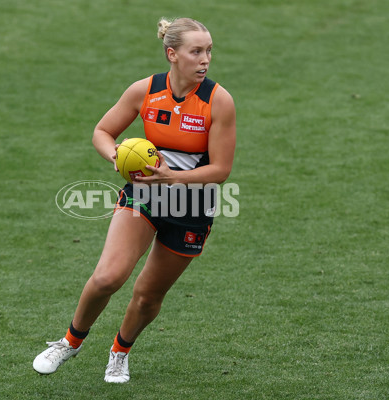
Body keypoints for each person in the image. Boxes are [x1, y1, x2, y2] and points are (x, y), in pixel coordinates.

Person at [33, 17, 236, 383]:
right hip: (144, 195)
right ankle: (69, 342)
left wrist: (172, 176)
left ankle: (119, 352)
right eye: (196, 51)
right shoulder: (144, 91)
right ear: (172, 54)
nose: (205, 59)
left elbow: (221, 169)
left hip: (191, 208)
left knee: (147, 296)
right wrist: (116, 157)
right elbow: (102, 131)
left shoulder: (218, 102)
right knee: (108, 276)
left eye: (208, 51)